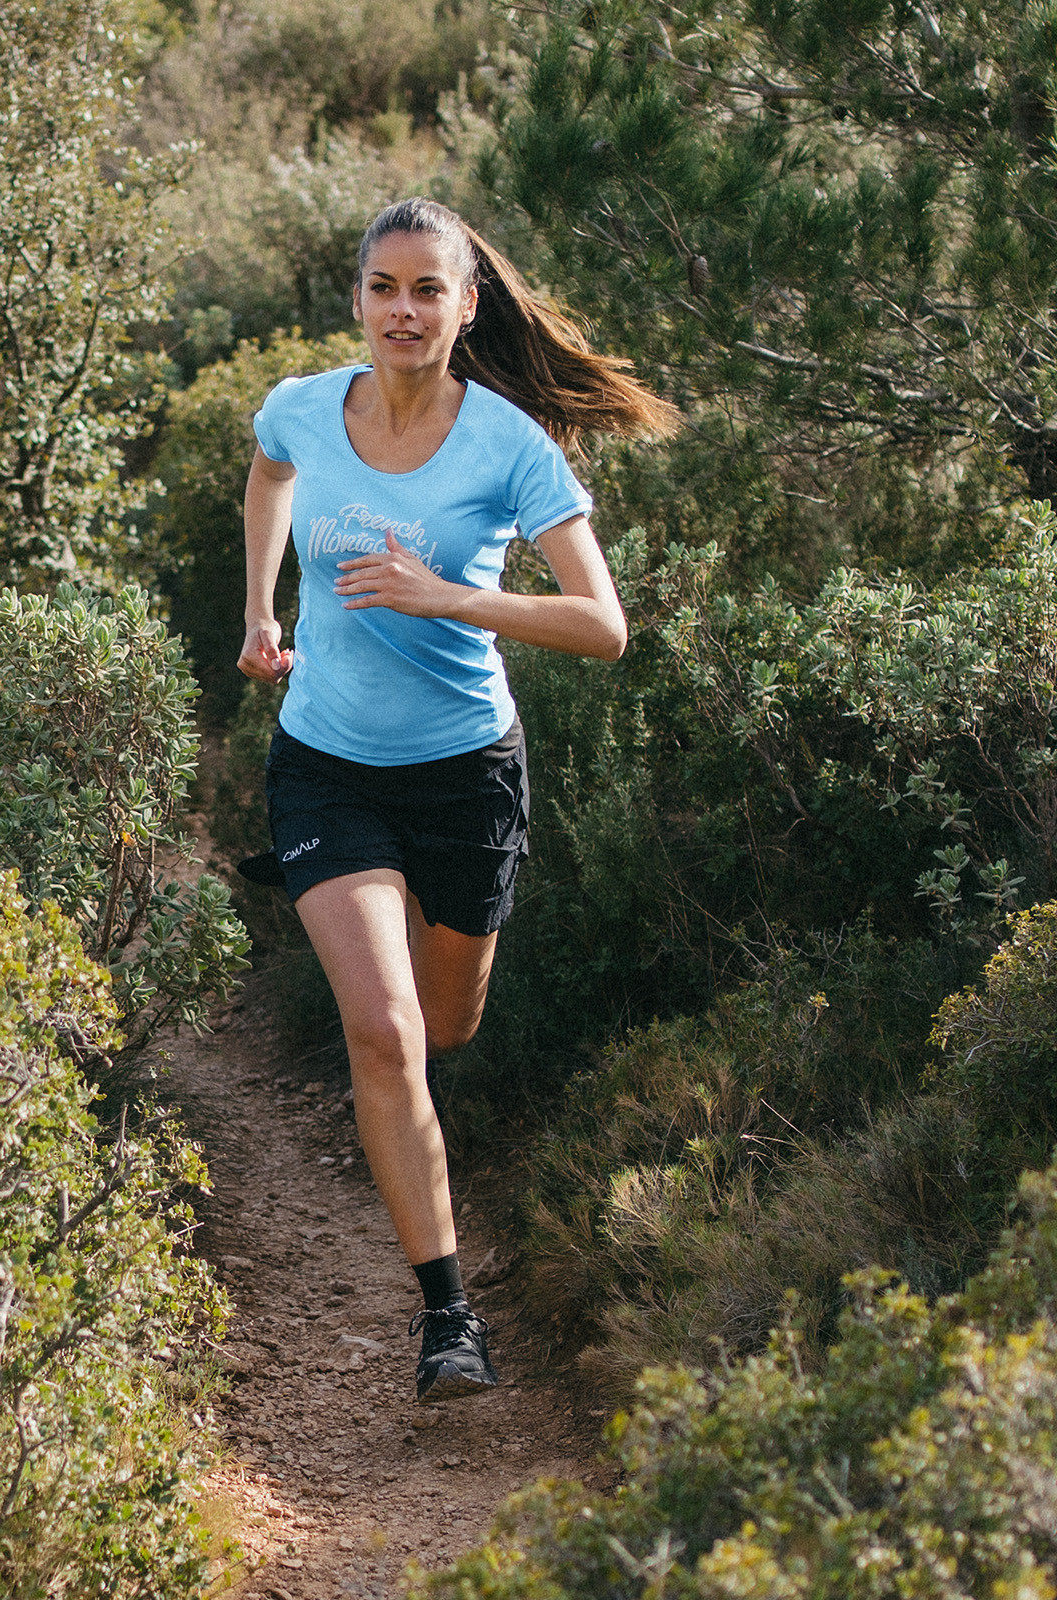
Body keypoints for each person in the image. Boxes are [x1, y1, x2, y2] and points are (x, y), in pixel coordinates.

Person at [236, 198, 680, 1403]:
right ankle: (448, 1318)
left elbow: (602, 626)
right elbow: (269, 473)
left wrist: (448, 596)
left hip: (464, 772)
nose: (402, 310)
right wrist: (261, 609)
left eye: (427, 290)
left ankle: (419, 1134)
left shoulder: (508, 444)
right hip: (325, 762)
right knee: (384, 1033)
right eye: (383, 287)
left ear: (465, 305)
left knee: (443, 1026)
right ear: (355, 299)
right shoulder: (301, 407)